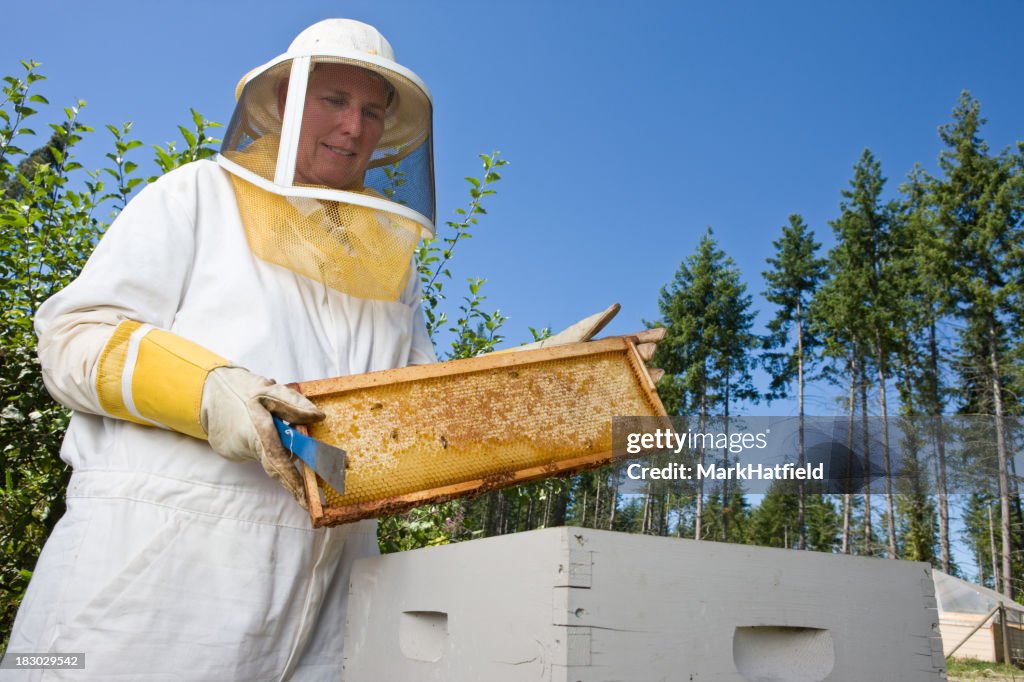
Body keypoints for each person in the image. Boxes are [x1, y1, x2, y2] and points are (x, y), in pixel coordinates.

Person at [4, 18, 436, 680]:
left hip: (324, 604)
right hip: (152, 579)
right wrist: (207, 390)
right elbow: (75, 336)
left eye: (372, 112)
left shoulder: (392, 272)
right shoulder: (197, 194)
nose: (354, 126)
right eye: (334, 101)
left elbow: (428, 409)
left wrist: (540, 382)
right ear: (287, 103)